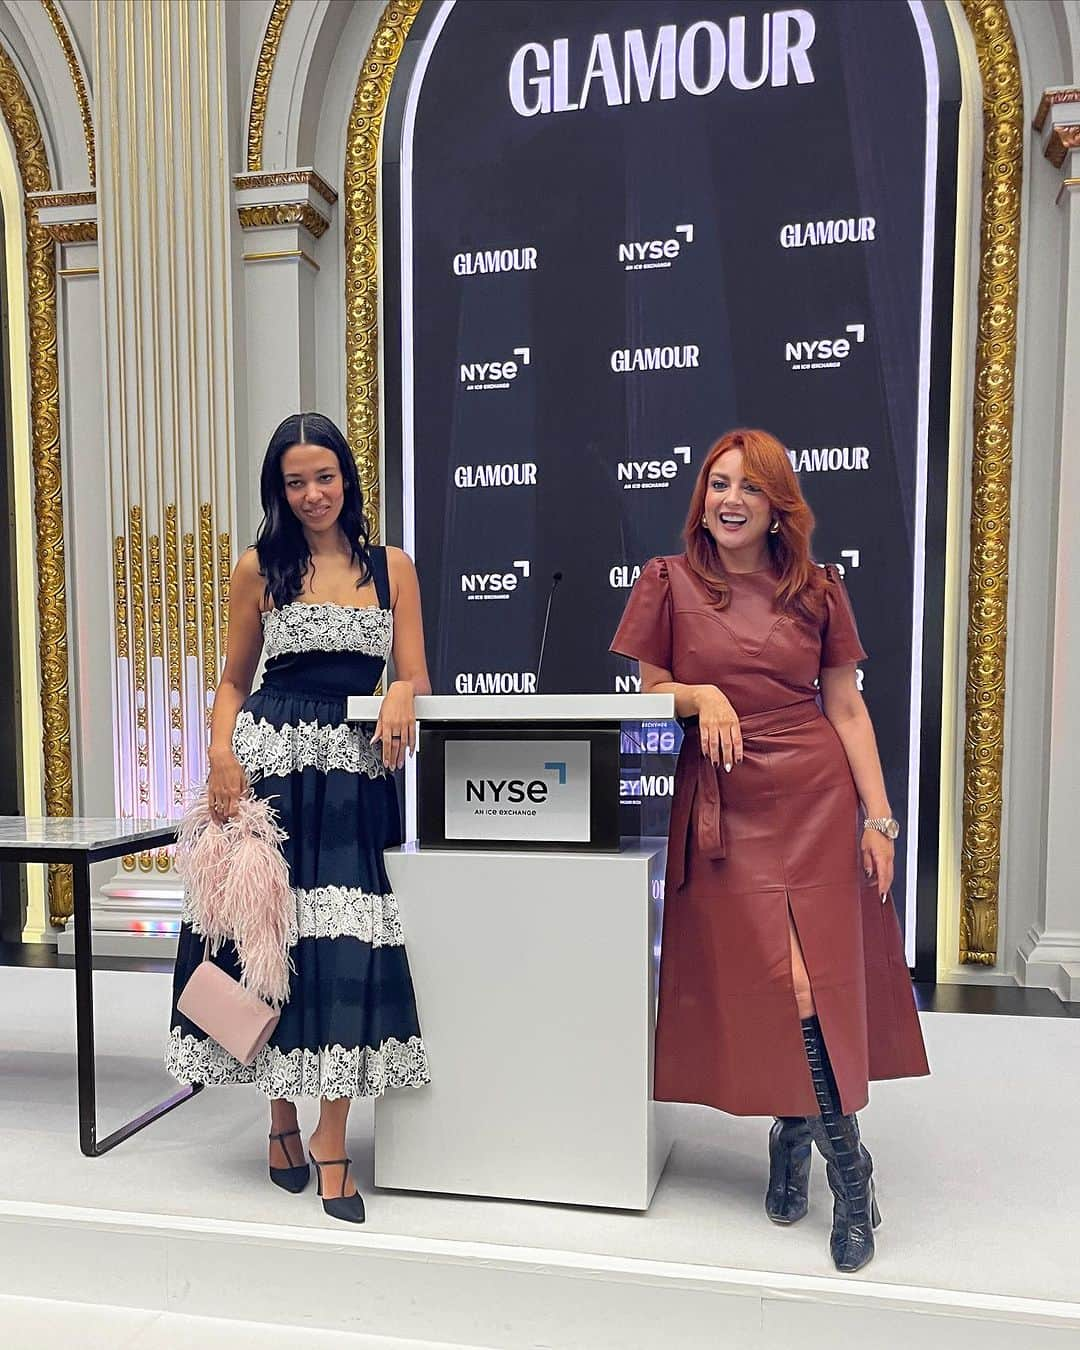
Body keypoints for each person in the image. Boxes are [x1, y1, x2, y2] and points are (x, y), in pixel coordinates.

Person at [610, 428, 928, 1273]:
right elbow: (648, 691)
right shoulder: (668, 582)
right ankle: (806, 1136)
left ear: (777, 503)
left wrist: (880, 818)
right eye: (718, 485)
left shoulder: (818, 591)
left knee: (810, 978)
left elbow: (847, 708)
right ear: (701, 499)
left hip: (816, 796)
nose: (730, 501)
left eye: (749, 488)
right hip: (726, 799)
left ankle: (843, 1173)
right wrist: (701, 692)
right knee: (771, 980)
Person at [167, 412, 431, 1224]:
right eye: (295, 481)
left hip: (353, 778)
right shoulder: (260, 567)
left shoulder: (392, 568)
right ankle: (279, 1118)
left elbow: (416, 673)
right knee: (265, 942)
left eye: (325, 476)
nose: (313, 494)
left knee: (345, 947)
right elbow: (233, 682)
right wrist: (219, 754)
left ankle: (330, 1137)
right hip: (272, 769)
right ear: (277, 490)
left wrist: (395, 689)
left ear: (348, 478)